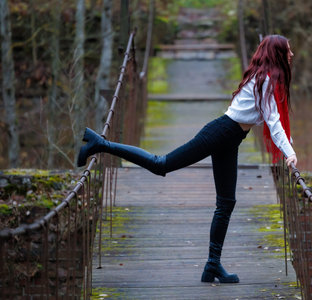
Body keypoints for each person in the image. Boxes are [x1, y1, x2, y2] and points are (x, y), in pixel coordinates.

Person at [77, 34, 297, 284]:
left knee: (226, 203)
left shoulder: (263, 79)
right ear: (278, 53)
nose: (291, 54)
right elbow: (273, 121)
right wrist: (289, 152)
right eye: (288, 50)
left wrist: (289, 148)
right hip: (220, 133)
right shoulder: (265, 80)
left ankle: (212, 266)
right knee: (161, 164)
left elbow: (275, 120)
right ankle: (100, 144)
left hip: (230, 138)